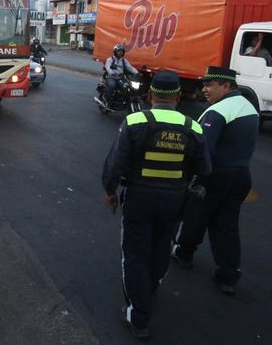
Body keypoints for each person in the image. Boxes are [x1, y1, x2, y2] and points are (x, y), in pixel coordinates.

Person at [102, 70, 211, 339]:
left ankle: (139, 316)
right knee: (162, 245)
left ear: (151, 95)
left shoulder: (135, 121)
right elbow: (204, 169)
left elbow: (116, 164)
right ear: (177, 96)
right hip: (175, 200)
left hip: (139, 198)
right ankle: (150, 286)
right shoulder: (193, 126)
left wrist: (110, 191)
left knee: (135, 254)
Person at [172, 66, 259, 296]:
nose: (204, 89)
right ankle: (228, 275)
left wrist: (192, 177)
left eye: (209, 84)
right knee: (227, 225)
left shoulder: (218, 111)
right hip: (241, 175)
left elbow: (204, 150)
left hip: (215, 176)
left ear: (226, 86)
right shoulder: (249, 107)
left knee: (195, 215)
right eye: (204, 84)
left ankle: (183, 253)